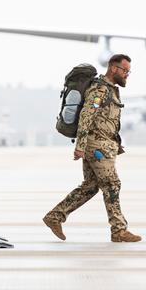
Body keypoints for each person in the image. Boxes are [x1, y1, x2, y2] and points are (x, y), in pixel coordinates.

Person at [43, 54, 141, 243]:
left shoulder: (110, 90)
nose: (127, 75)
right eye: (125, 70)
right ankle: (119, 230)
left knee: (90, 186)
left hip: (102, 145)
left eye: (129, 71)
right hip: (97, 147)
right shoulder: (100, 89)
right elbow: (86, 116)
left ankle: (54, 216)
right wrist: (80, 147)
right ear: (114, 68)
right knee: (112, 184)